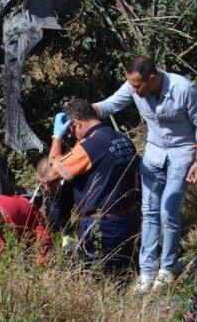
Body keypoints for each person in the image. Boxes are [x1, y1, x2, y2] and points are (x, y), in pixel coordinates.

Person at [93, 56, 197, 291]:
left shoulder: (184, 89)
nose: (133, 90)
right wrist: (80, 113)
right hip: (154, 154)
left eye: (137, 85)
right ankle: (147, 272)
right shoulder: (133, 87)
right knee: (149, 211)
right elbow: (109, 105)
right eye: (131, 85)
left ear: (153, 78)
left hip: (182, 154)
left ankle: (167, 268)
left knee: (168, 211)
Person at [39, 99, 140, 275]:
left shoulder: (89, 147)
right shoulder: (123, 138)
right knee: (127, 275)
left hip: (103, 227)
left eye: (71, 131)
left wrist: (57, 138)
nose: (72, 136)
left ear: (76, 123)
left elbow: (50, 175)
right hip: (131, 220)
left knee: (97, 280)